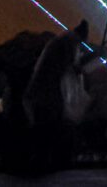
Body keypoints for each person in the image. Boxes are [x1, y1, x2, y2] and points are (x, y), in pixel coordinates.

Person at [23, 20, 91, 171]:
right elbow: (73, 67)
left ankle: (41, 158)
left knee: (43, 124)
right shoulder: (69, 42)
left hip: (44, 90)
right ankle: (46, 159)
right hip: (49, 91)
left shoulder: (61, 40)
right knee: (49, 125)